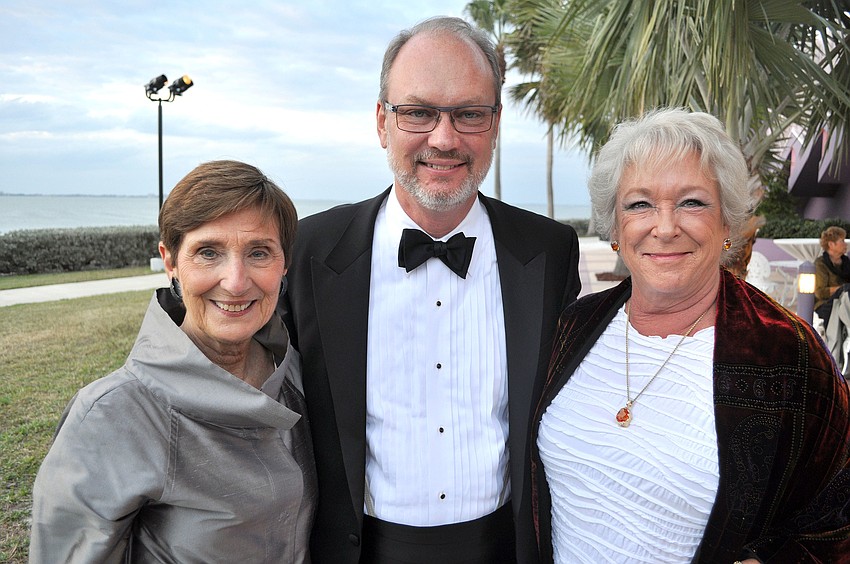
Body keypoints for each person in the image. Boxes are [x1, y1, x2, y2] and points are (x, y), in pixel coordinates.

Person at [280, 16, 581, 564]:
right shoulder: (312, 249)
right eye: (418, 112)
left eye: (468, 114)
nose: (443, 138)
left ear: (493, 123)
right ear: (381, 122)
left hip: (506, 549)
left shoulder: (549, 251)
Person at [530, 108, 850, 563]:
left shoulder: (785, 351)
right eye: (640, 204)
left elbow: (837, 515)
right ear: (616, 229)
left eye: (692, 202)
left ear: (727, 226)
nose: (664, 227)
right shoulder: (575, 326)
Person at [29, 160, 316, 562]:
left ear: (284, 263)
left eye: (258, 252)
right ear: (171, 261)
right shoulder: (114, 414)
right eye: (208, 252)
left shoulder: (300, 378)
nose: (235, 281)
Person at [814, 225, 850, 327]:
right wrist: (841, 289)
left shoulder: (846, 262)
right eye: (842, 241)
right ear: (831, 244)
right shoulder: (821, 264)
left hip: (845, 302)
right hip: (825, 304)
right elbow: (820, 293)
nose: (845, 244)